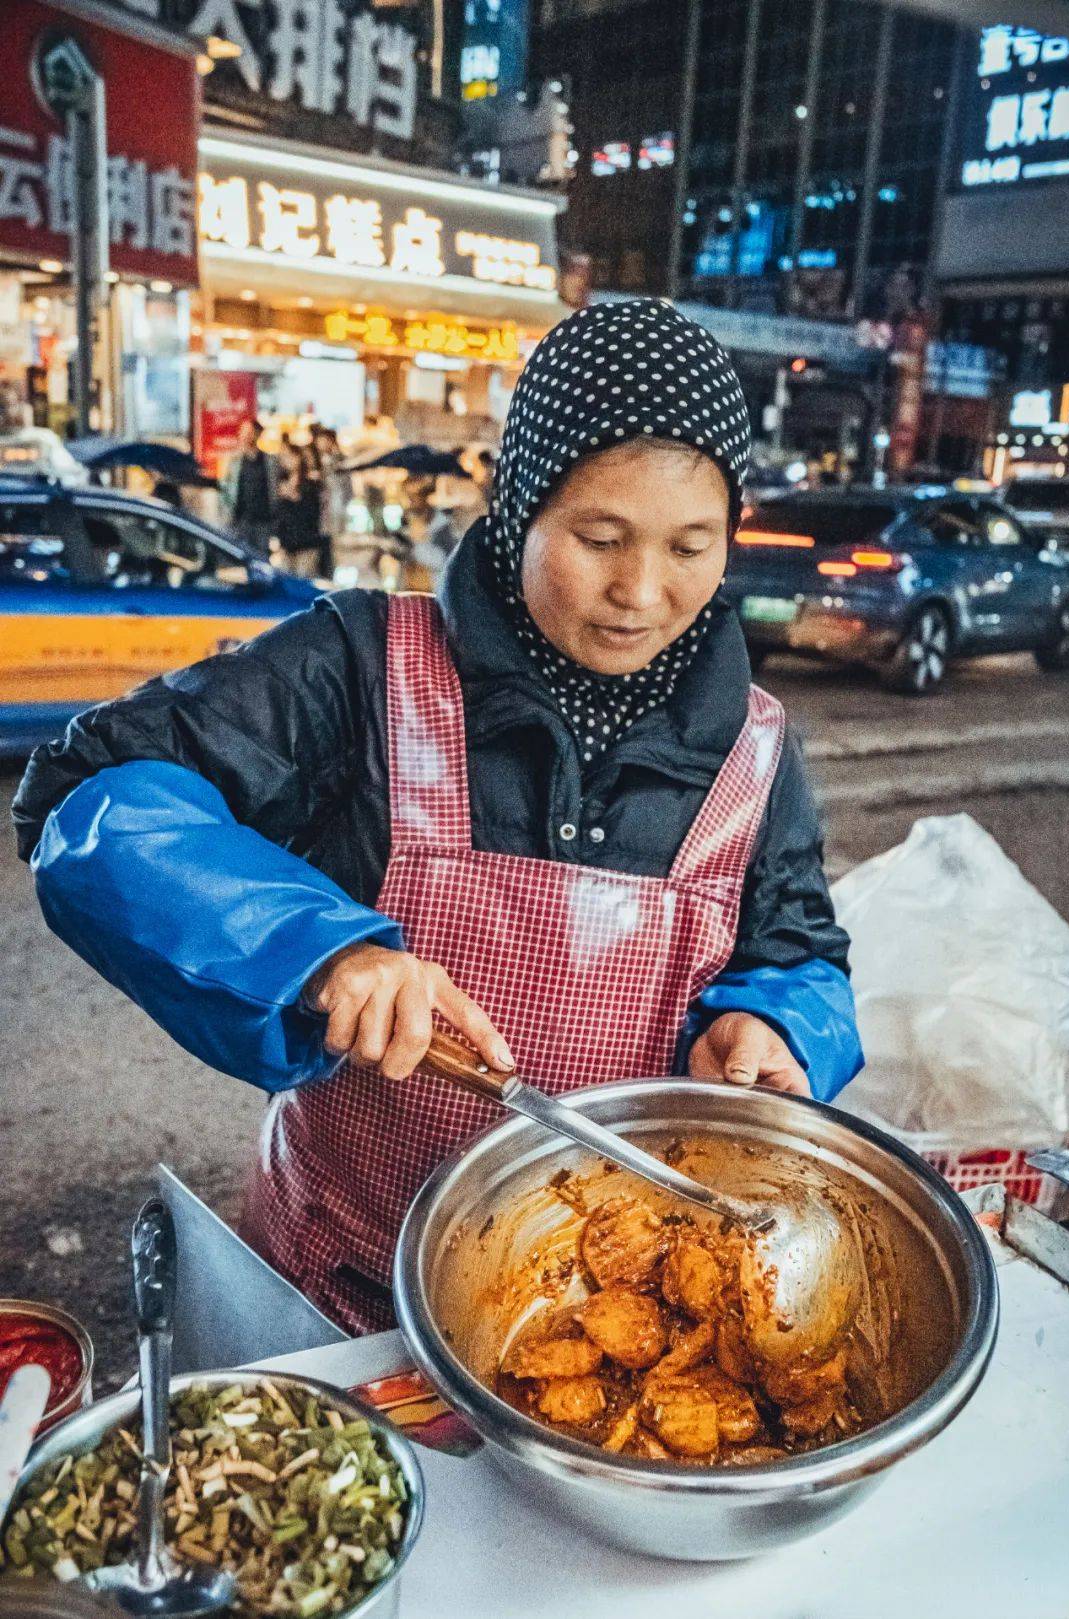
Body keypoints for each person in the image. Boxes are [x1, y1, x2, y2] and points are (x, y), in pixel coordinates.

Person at [13, 299, 863, 1335]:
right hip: (337, 1287)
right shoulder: (357, 664)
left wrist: (777, 1025)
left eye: (693, 544)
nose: (642, 590)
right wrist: (316, 950)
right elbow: (89, 800)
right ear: (518, 508)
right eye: (599, 537)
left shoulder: (758, 746)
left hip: (603, 1319)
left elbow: (801, 951)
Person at [222, 419, 277, 557]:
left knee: (262, 559)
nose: (245, 436)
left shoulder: (269, 461)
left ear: (257, 434)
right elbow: (224, 489)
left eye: (249, 432)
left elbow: (275, 487)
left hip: (263, 522)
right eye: (243, 432)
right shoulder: (234, 461)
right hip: (241, 521)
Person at [274, 440, 322, 578]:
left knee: (303, 582)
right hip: (287, 544)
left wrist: (295, 497)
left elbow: (313, 513)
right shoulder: (281, 483)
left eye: (288, 456)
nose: (284, 460)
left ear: (298, 457)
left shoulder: (310, 484)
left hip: (306, 544)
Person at [312, 424, 346, 578]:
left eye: (323, 440)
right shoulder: (314, 460)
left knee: (331, 552)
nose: (320, 444)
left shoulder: (340, 461)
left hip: (333, 514)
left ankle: (328, 577)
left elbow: (346, 489)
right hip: (318, 516)